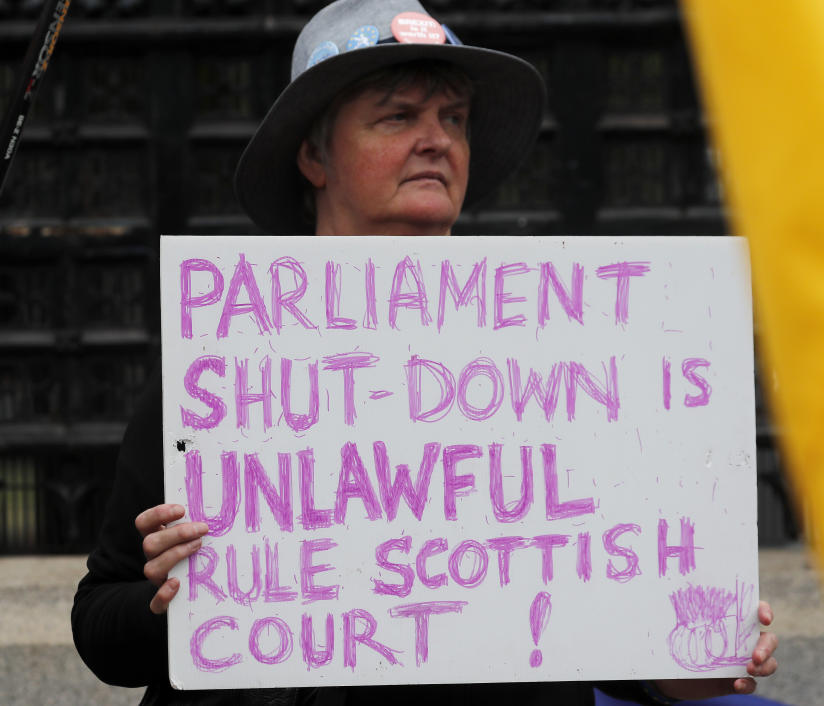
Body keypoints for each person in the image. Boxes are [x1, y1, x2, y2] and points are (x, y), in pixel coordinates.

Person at [72, 1, 778, 704]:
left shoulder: (557, 358)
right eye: (399, 116)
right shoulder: (228, 362)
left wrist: (689, 661)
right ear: (315, 156)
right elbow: (102, 627)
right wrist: (166, 597)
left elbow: (590, 618)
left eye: (454, 120)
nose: (437, 140)